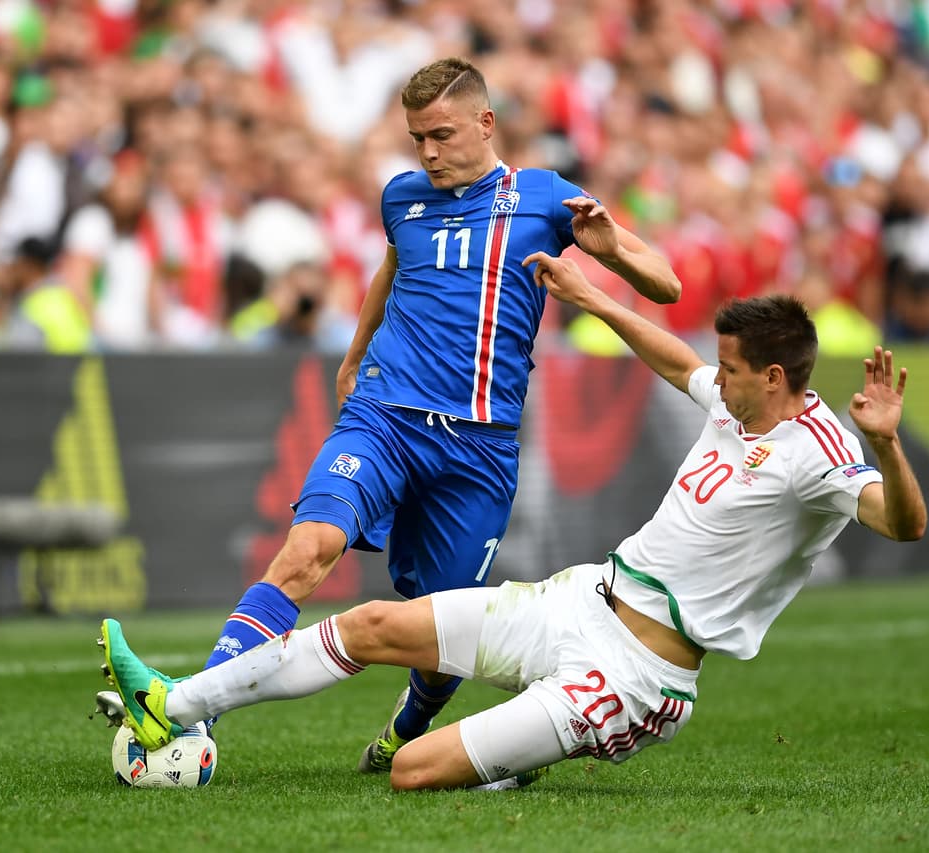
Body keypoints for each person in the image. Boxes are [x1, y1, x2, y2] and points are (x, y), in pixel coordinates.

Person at [97, 260, 927, 792]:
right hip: (583, 602)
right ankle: (173, 701)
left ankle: (522, 752)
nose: (720, 377)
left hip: (633, 676)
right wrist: (594, 298)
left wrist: (887, 446)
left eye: (736, 369)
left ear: (775, 377)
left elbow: (903, 524)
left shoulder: (820, 450)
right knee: (370, 621)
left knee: (413, 773)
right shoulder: (736, 402)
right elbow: (679, 363)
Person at [96, 57, 680, 774]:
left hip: (480, 450)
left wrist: (612, 248)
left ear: (486, 124)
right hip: (386, 416)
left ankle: (408, 727)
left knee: (442, 631)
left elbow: (668, 283)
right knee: (307, 550)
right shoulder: (403, 196)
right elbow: (393, 267)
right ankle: (191, 706)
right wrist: (355, 354)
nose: (428, 153)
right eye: (417, 138)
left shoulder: (545, 199)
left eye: (441, 134)